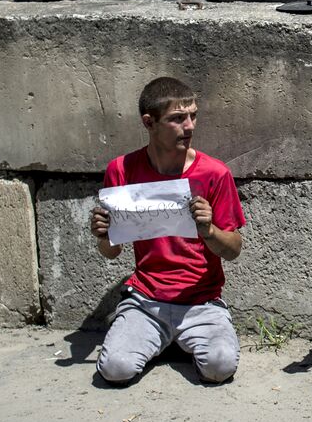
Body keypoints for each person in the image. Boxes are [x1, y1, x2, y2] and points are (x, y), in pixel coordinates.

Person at [89, 77, 245, 385]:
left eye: (193, 116)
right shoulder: (121, 170)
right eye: (177, 119)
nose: (189, 127)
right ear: (149, 122)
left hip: (201, 301)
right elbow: (111, 252)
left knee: (220, 367)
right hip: (147, 299)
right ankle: (146, 330)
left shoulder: (215, 173)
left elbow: (235, 249)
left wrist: (209, 230)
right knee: (115, 369)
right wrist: (103, 236)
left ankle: (178, 338)